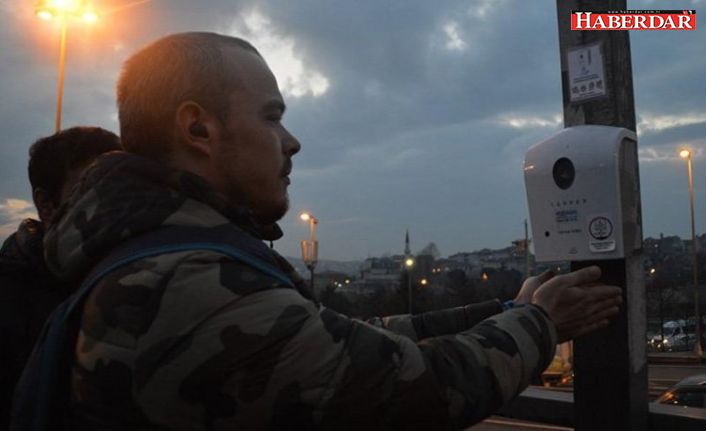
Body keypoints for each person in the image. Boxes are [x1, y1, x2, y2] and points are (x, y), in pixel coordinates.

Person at [39, 33, 622, 430]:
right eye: (272, 116)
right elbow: (412, 391)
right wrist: (541, 323)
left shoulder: (160, 254)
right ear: (198, 128)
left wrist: (503, 307)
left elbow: (343, 338)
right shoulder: (188, 285)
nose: (291, 141)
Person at [0, 127, 121, 429]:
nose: (112, 204)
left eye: (122, 187)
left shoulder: (134, 279)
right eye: (89, 190)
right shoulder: (8, 295)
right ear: (46, 205)